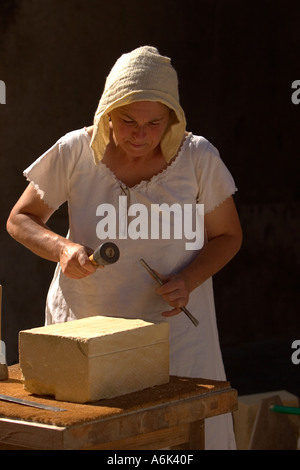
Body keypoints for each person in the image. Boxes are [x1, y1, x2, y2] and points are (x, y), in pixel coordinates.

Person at [7, 46, 242, 450]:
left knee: (179, 440)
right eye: (128, 120)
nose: (141, 134)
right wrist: (62, 249)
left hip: (174, 337)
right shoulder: (77, 151)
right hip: (86, 332)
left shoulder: (198, 158)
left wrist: (188, 278)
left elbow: (228, 235)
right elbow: (20, 219)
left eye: (155, 122)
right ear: (107, 113)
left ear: (172, 118)